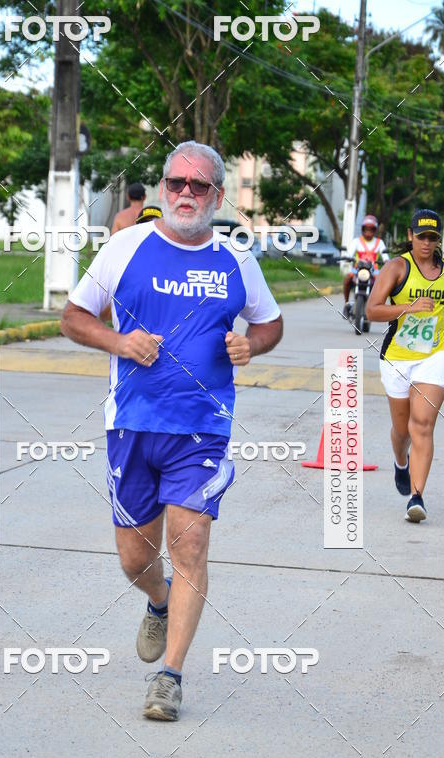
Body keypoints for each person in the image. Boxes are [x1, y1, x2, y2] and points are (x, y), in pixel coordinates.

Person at [61, 140, 283, 720]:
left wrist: (250, 343)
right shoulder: (125, 248)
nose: (187, 194)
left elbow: (271, 324)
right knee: (136, 557)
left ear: (216, 195)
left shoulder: (238, 261)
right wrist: (118, 342)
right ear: (163, 187)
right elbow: (72, 316)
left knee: (191, 544)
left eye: (200, 186)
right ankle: (157, 601)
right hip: (131, 423)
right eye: (177, 183)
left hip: (202, 429)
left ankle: (170, 676)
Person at [366, 208, 444, 522]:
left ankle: (416, 497)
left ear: (438, 240)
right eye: (421, 236)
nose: (426, 242)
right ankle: (400, 461)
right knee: (402, 430)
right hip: (397, 358)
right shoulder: (396, 268)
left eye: (432, 237)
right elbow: (372, 311)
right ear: (410, 236)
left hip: (436, 353)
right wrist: (408, 307)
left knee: (423, 424)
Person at [343, 214, 389, 316]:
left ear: (375, 230)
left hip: (373, 271)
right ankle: (346, 304)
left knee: (381, 283)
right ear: (362, 230)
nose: (368, 232)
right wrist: (348, 257)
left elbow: (385, 257)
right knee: (347, 278)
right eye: (366, 229)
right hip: (357, 270)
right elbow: (349, 253)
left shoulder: (379, 242)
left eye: (371, 230)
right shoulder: (356, 241)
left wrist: (386, 261)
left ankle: (377, 305)